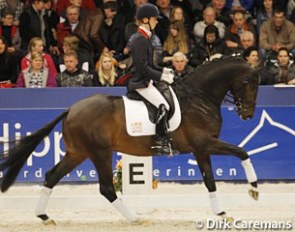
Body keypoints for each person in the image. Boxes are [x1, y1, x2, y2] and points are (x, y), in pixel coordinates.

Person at [128, 3, 178, 155]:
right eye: (154, 19)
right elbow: (142, 68)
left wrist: (164, 70)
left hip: (146, 80)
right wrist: (161, 77)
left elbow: (150, 64)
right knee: (164, 105)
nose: (156, 22)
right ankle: (160, 142)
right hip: (140, 83)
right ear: (145, 20)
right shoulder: (139, 39)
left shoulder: (145, 37)